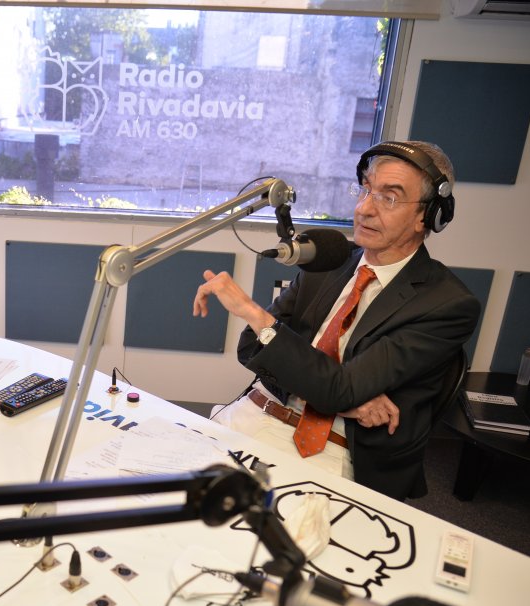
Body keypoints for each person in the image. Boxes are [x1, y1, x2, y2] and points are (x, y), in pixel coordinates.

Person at [192, 141, 479, 500]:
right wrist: (343, 399)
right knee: (166, 495)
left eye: (389, 198)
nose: (364, 209)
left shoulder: (446, 304)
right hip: (258, 412)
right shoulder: (331, 261)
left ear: (429, 215)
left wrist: (254, 314)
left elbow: (333, 386)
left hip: (336, 449)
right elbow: (252, 347)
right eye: (365, 190)